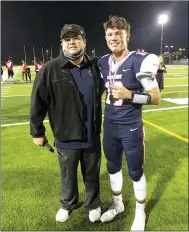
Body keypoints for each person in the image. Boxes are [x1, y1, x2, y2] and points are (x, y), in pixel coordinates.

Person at [30, 24, 104, 223]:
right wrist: (37, 132)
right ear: (62, 44)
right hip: (66, 134)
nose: (72, 41)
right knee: (68, 174)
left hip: (92, 134)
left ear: (84, 42)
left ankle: (93, 204)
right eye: (67, 38)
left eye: (76, 37)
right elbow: (38, 101)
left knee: (92, 173)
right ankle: (67, 203)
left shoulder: (96, 67)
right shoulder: (50, 69)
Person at [98, 15, 161, 231]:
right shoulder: (102, 62)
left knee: (135, 171)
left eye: (118, 34)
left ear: (127, 36)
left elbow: (155, 97)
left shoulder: (139, 60)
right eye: (109, 34)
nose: (113, 38)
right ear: (105, 37)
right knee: (113, 167)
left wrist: (130, 95)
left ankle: (140, 212)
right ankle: (118, 205)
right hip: (110, 126)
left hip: (131, 127)